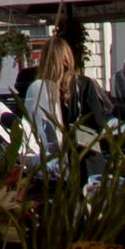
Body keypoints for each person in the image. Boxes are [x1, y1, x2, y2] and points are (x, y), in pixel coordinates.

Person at [18, 28, 81, 157]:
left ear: (44, 60)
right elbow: (98, 123)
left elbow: (31, 124)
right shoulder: (82, 84)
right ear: (67, 58)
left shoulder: (39, 88)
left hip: (51, 158)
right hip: (81, 156)